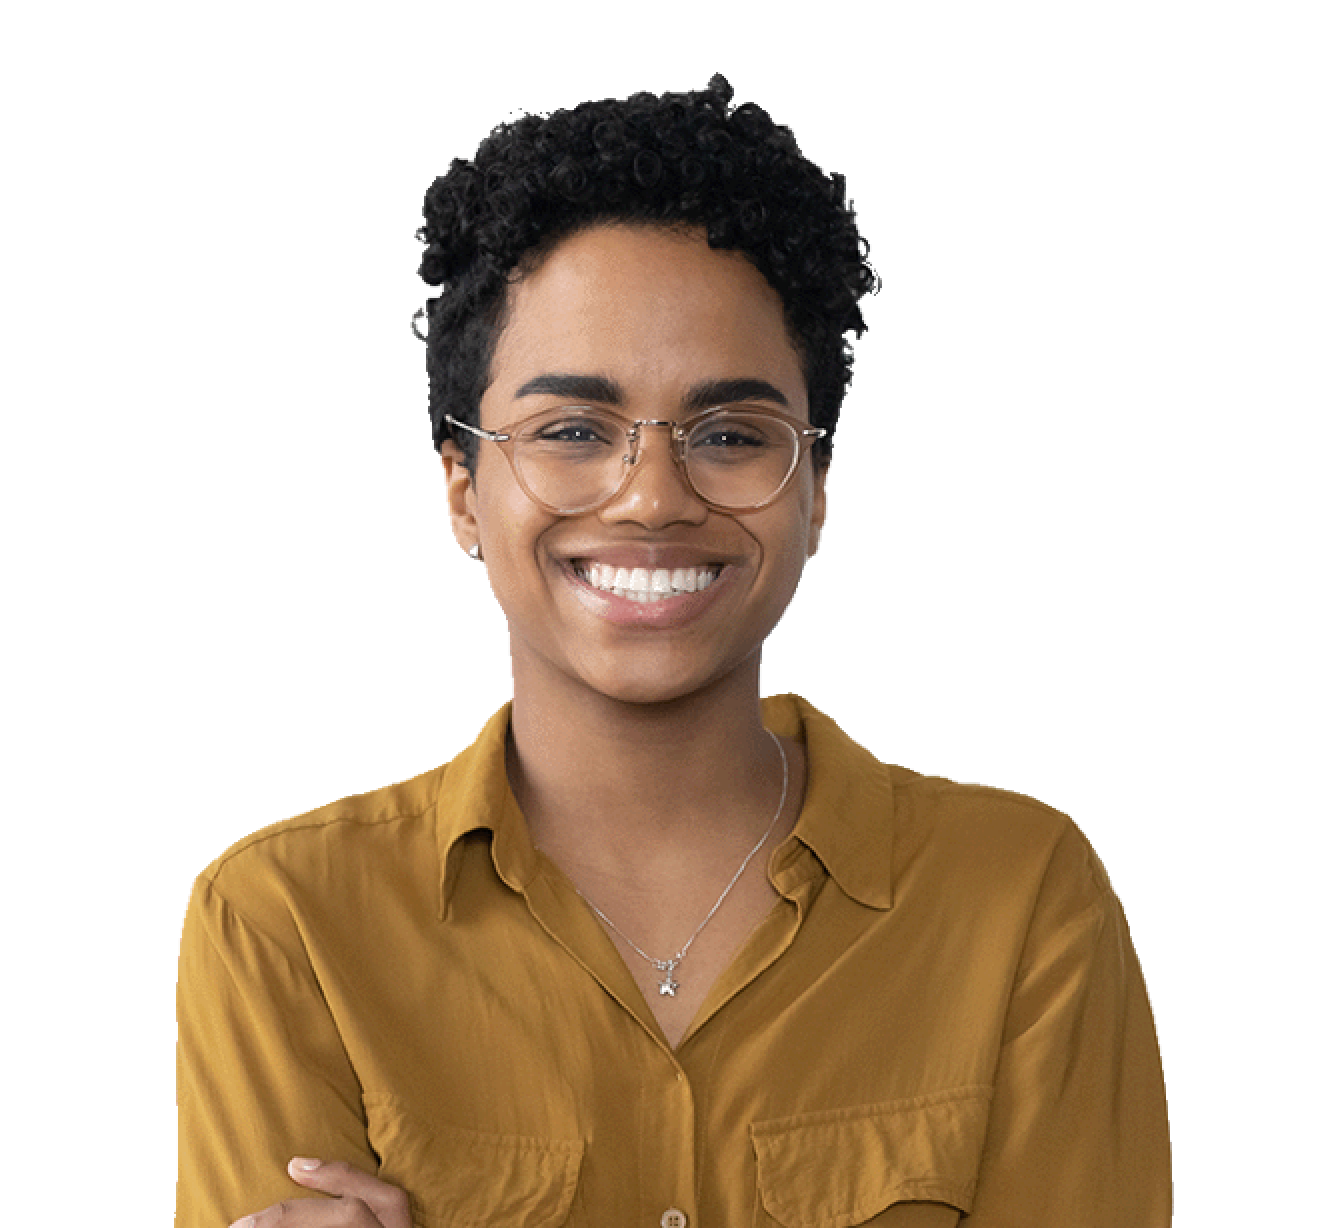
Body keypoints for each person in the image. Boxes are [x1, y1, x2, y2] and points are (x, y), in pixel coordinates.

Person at [177, 75, 1169, 1226]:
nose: (652, 496)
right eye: (572, 431)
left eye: (730, 434)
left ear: (817, 491)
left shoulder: (1021, 900)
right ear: (460, 488)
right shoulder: (284, 921)